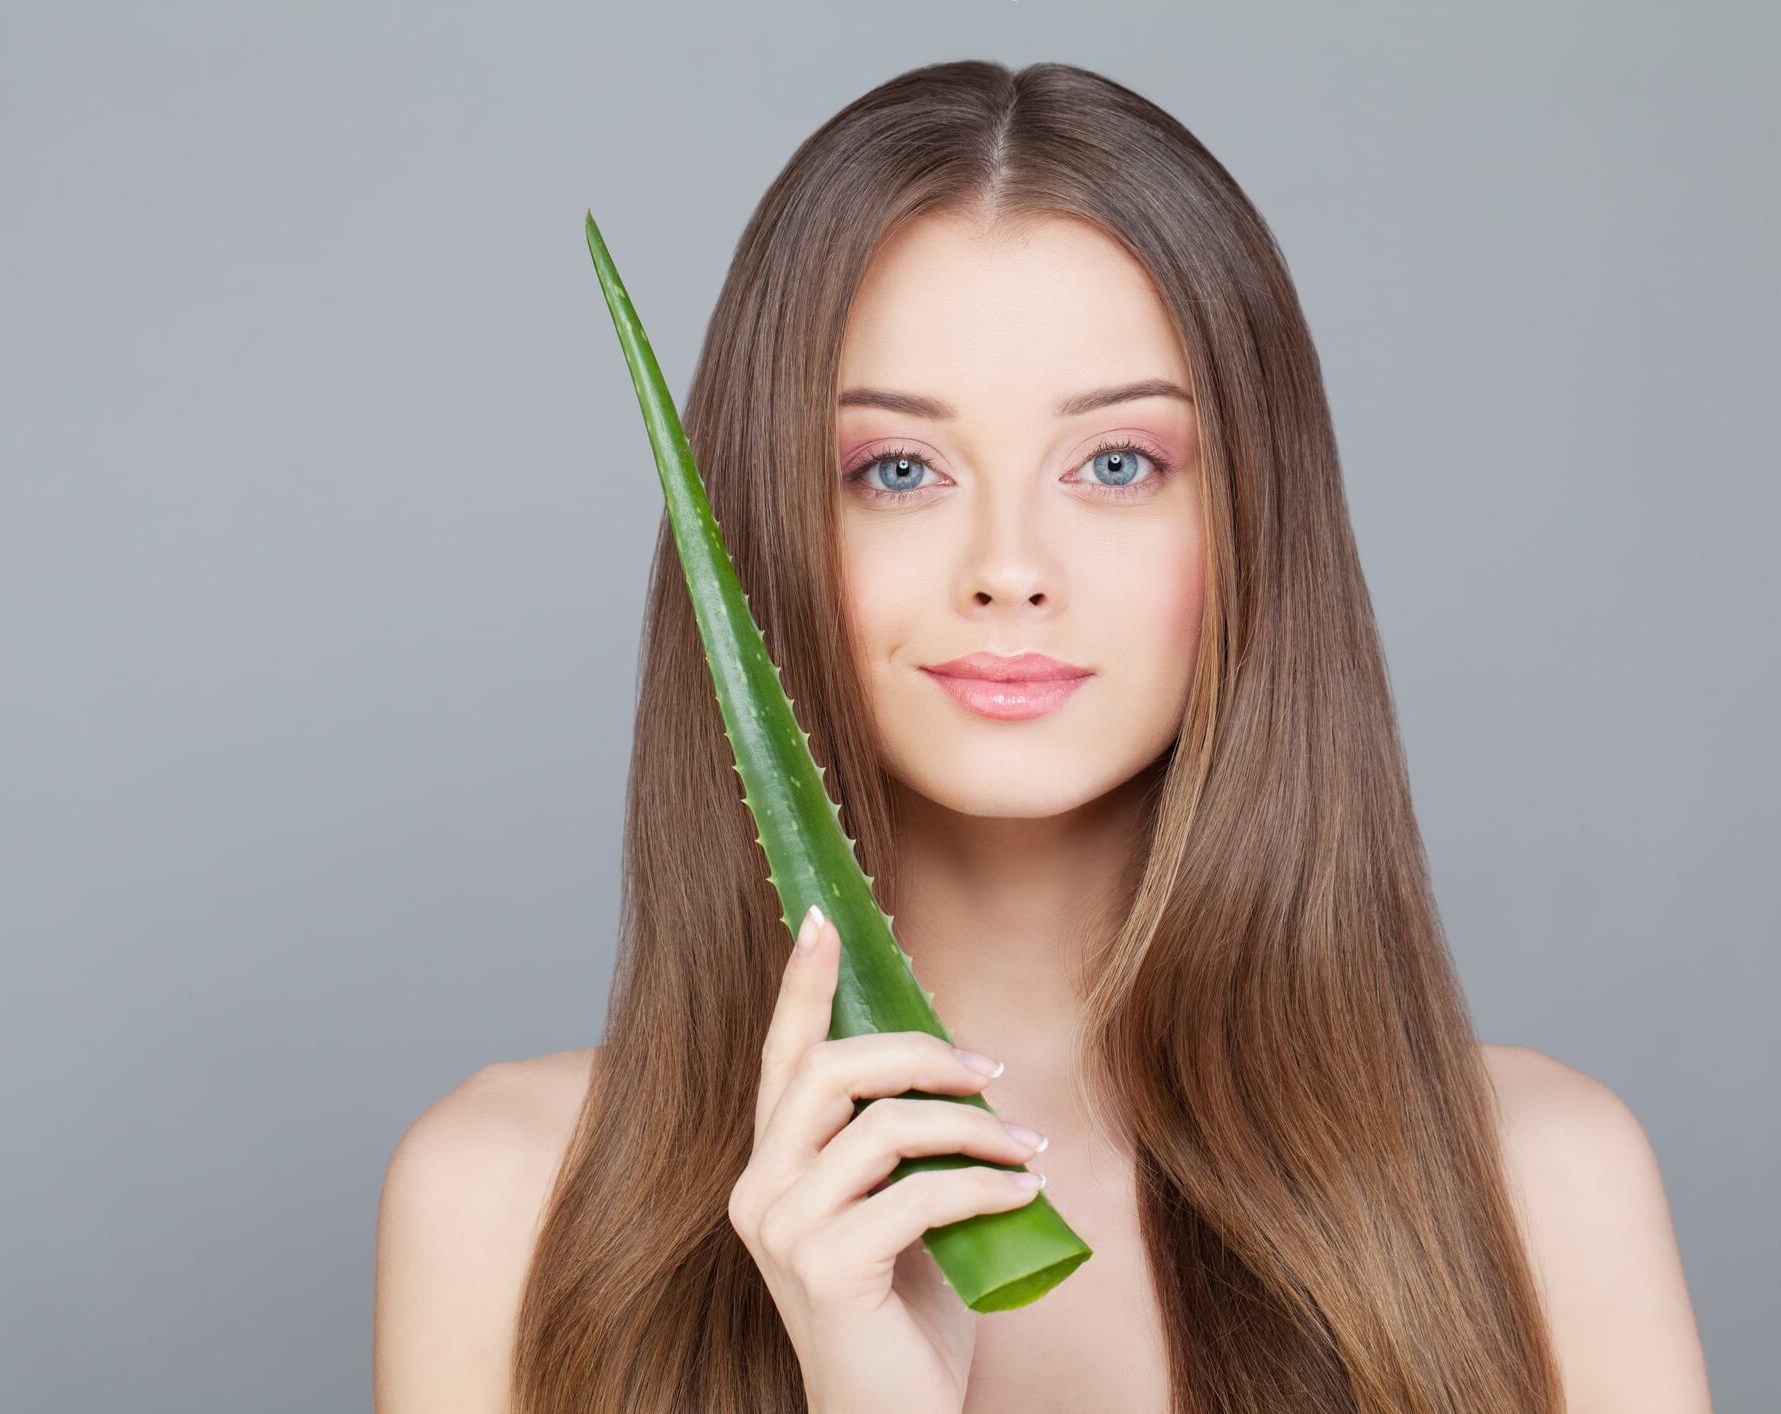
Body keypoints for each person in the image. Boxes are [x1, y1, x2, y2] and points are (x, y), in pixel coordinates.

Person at [375, 59, 1713, 1414]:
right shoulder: (504, 1204)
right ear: (766, 534)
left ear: (1252, 525)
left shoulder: (1541, 1190)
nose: (1007, 567)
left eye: (1116, 463)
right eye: (897, 470)